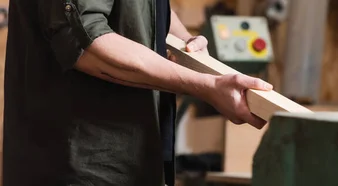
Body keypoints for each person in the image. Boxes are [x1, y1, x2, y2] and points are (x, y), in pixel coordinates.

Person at [3, 0, 271, 186]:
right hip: (82, 164)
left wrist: (185, 40)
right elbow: (87, 43)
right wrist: (207, 87)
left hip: (136, 161)